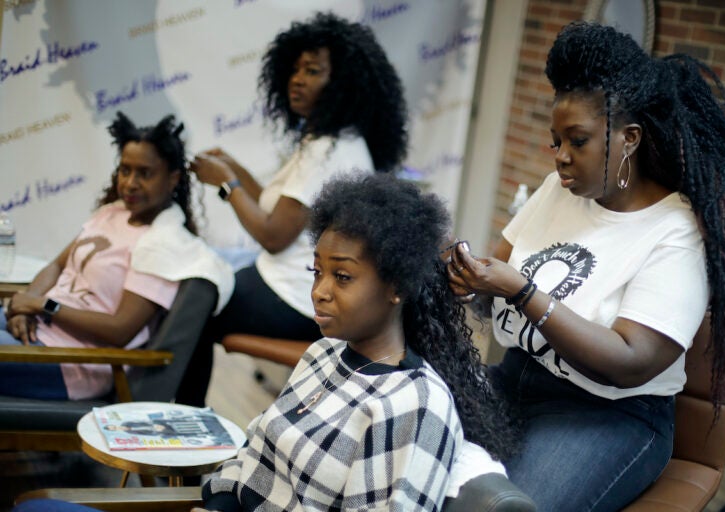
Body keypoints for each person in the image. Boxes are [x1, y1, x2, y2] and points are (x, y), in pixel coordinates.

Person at [12, 174, 518, 512]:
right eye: (317, 272)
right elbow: (249, 468)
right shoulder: (322, 356)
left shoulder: (414, 406)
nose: (318, 290)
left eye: (342, 277)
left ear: (397, 286)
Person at [447, 21, 725, 511]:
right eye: (556, 142)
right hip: (515, 378)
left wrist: (524, 292)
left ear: (629, 137)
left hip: (609, 415)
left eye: (578, 141)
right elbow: (495, 278)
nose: (561, 159)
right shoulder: (557, 191)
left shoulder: (675, 233)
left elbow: (630, 362)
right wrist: (467, 279)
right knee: (415, 454)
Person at [179, 11, 408, 407]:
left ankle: (185, 433)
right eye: (296, 69)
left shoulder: (328, 152)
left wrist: (227, 183)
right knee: (198, 289)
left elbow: (273, 234)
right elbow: (278, 202)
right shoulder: (330, 141)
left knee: (194, 305)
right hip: (291, 285)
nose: (297, 79)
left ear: (341, 83)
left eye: (313, 71)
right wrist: (235, 169)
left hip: (296, 298)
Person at [0, 111, 233, 401]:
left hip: (73, 362)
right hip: (36, 330)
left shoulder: (164, 245)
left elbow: (119, 331)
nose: (131, 183)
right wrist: (24, 308)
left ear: (173, 179)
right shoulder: (112, 212)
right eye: (125, 170)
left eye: (145, 173)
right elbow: (57, 266)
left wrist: (42, 305)